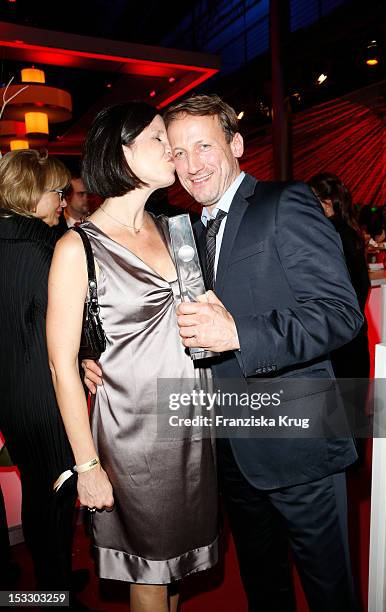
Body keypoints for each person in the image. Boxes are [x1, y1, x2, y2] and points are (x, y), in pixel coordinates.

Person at [84, 94, 364, 611]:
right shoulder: (181, 232)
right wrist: (95, 353)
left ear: (235, 144)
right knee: (264, 588)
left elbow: (340, 313)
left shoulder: (286, 203)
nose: (192, 165)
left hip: (298, 441)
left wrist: (242, 335)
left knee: (331, 590)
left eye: (204, 146)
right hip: (226, 451)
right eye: (178, 152)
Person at [46, 102, 218, 612]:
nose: (173, 151)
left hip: (191, 425)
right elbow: (60, 364)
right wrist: (87, 465)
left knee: (178, 565)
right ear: (121, 154)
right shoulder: (77, 248)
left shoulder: (176, 229)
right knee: (148, 567)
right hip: (132, 433)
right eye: (159, 140)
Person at [0, 150, 80, 600]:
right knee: (59, 495)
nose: (61, 203)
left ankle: (53, 585)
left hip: (9, 393)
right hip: (48, 393)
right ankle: (56, 592)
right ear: (32, 194)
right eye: (56, 193)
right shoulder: (50, 246)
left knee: (35, 488)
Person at [308, 172, 370, 379]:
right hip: (355, 334)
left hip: (337, 339)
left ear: (325, 202)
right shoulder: (351, 231)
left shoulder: (326, 233)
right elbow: (362, 284)